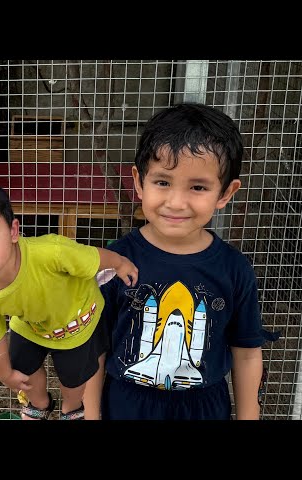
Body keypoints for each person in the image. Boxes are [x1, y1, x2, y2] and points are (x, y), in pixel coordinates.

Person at [97, 102, 278, 420]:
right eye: (163, 182)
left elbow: (247, 353)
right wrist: (90, 414)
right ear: (139, 182)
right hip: (125, 403)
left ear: (225, 193)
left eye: (198, 187)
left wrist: (249, 414)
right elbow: (93, 347)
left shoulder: (235, 269)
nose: (176, 202)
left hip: (205, 407)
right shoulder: (114, 260)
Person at [0, 181, 138, 420]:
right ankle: (39, 404)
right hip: (31, 325)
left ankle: (72, 408)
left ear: (13, 231)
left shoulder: (51, 253)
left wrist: (121, 263)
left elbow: (93, 257)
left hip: (75, 322)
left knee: (73, 378)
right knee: (20, 367)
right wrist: (5, 374)